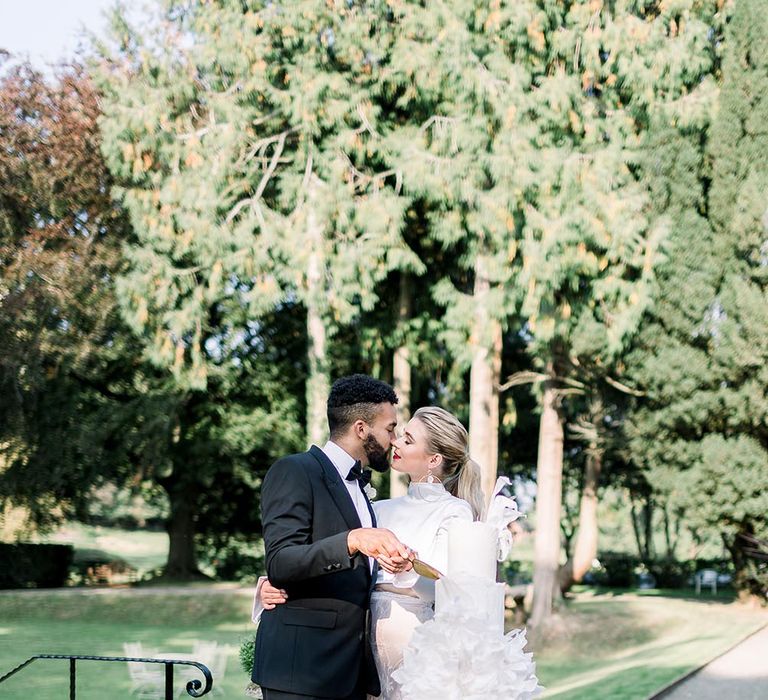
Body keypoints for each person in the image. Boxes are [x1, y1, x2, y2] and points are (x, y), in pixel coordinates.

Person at [258, 406, 486, 700]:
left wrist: (408, 571)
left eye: (407, 439)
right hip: (358, 652)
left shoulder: (455, 511)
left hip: (413, 645)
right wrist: (271, 582)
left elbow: (449, 591)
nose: (395, 442)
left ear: (434, 459)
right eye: (397, 434)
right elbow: (317, 553)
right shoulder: (378, 508)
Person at [252, 374, 415, 700]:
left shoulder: (363, 490)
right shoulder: (294, 471)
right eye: (390, 428)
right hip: (300, 673)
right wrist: (351, 541)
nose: (394, 439)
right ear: (360, 429)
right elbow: (281, 561)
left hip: (348, 673)